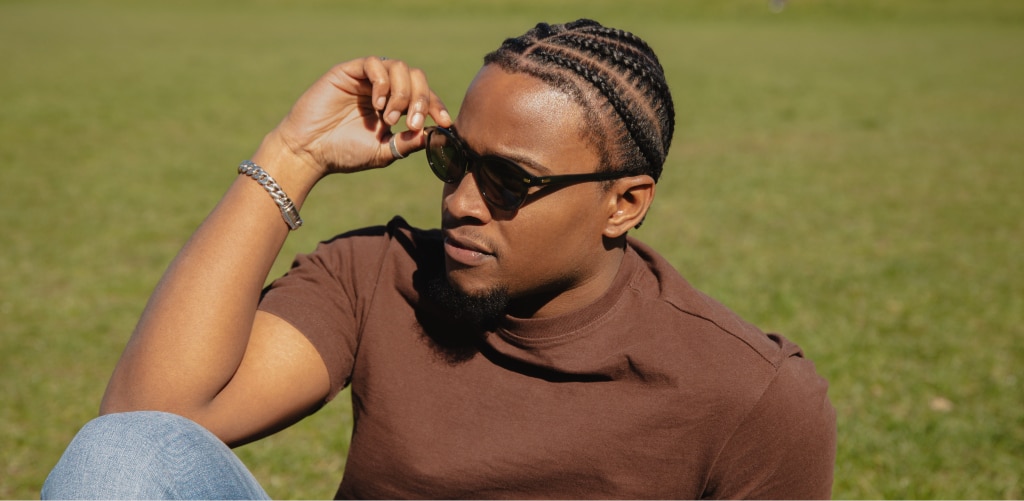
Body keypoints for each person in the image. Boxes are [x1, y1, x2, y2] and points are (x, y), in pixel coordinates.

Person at [43, 19, 836, 499]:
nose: (460, 200)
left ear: (623, 203)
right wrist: (292, 155)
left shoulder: (750, 394)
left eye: (509, 182)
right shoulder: (377, 277)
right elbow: (144, 427)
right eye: (454, 158)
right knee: (120, 456)